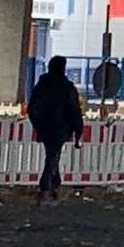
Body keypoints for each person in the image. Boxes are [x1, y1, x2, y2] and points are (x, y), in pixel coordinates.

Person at [25, 56, 85, 203]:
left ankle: (55, 185)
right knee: (53, 155)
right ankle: (45, 187)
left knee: (52, 154)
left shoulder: (41, 85)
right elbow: (74, 109)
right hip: (61, 126)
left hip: (44, 125)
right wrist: (78, 129)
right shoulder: (67, 87)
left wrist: (37, 123)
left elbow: (32, 107)